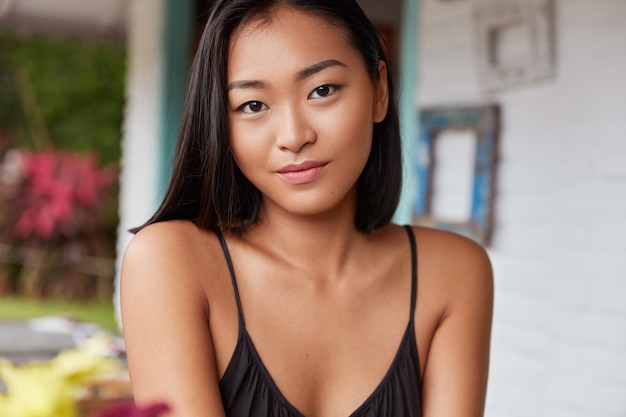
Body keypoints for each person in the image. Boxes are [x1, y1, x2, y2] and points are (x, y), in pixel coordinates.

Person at [120, 0, 494, 416]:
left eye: (322, 90)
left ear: (380, 91)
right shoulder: (172, 262)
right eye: (253, 105)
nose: (294, 136)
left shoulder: (454, 273)